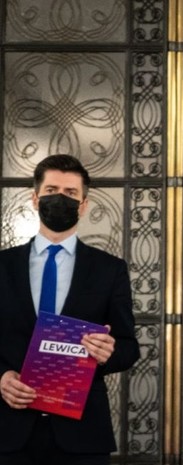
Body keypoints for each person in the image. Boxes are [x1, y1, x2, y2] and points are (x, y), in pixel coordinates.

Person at [0, 154, 139, 465]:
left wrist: (108, 352)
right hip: (8, 431)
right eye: (51, 191)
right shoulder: (2, 265)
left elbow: (129, 348)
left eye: (70, 193)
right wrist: (1, 377)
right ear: (35, 199)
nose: (60, 199)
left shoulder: (110, 269)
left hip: (82, 433)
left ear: (84, 205)